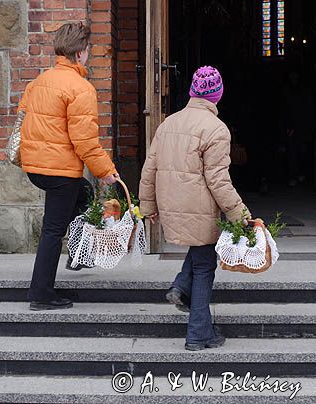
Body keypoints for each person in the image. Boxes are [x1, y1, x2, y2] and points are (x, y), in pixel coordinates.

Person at [139, 66, 251, 351]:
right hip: (200, 207)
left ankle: (181, 286)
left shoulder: (167, 123)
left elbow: (149, 168)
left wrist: (148, 205)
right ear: (217, 95)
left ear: (192, 91)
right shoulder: (216, 128)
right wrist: (240, 213)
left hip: (172, 203)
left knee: (199, 252)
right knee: (204, 266)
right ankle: (199, 334)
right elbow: (218, 180)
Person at [17, 22, 118, 311]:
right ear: (82, 53)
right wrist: (105, 171)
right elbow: (85, 141)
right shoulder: (80, 88)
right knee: (52, 230)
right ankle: (41, 293)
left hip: (37, 168)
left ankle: (79, 253)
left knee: (84, 194)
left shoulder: (38, 81)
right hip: (59, 171)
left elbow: (23, 118)